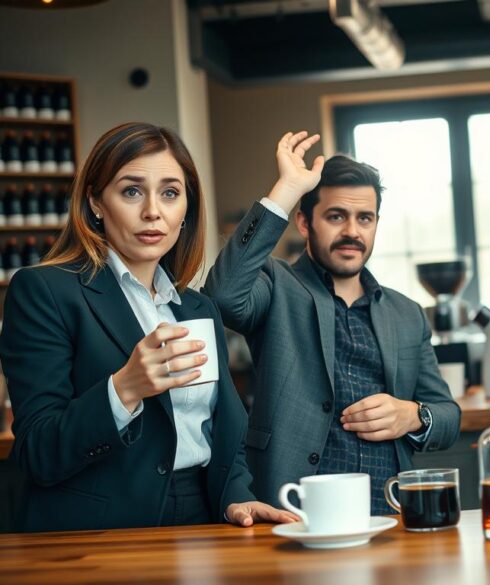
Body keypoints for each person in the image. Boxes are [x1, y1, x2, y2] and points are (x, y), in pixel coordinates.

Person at [0, 123, 295, 531]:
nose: (153, 211)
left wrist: (237, 497)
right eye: (131, 191)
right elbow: (37, 454)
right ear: (96, 202)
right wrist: (124, 389)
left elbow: (220, 434)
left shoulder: (198, 308)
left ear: (185, 211)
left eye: (170, 193)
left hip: (203, 518)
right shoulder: (44, 291)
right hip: (100, 531)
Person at [203, 131, 461, 515]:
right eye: (336, 216)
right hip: (293, 511)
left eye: (365, 218)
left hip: (390, 513)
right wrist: (286, 190)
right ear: (305, 223)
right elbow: (222, 295)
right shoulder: (276, 286)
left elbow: (447, 415)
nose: (352, 232)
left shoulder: (407, 313)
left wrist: (413, 415)